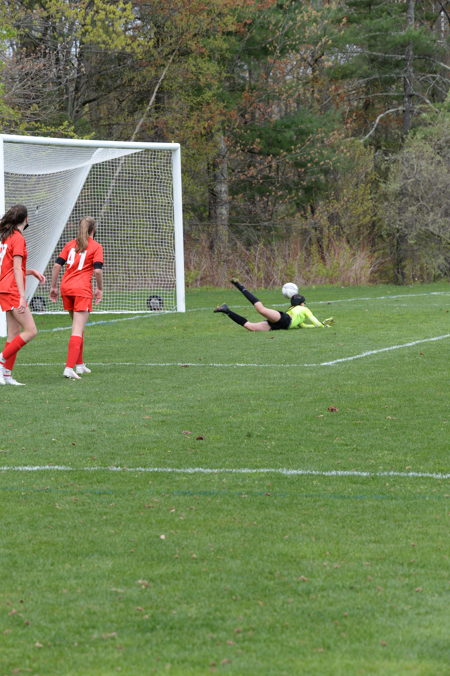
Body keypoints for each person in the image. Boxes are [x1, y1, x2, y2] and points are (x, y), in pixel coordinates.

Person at [49, 216, 103, 379]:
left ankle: (79, 365)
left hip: (66, 288)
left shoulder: (70, 244)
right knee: (77, 329)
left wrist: (53, 286)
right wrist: (99, 288)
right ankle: (69, 367)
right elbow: (97, 271)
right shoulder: (96, 246)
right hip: (81, 290)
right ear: (94, 230)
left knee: (78, 327)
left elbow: (57, 265)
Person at [0, 204, 46, 385]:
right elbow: (16, 269)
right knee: (31, 330)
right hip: (12, 290)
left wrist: (31, 272)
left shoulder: (6, 237)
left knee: (13, 333)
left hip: (4, 288)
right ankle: (1, 359)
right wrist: (21, 296)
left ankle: (6, 375)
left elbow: (10, 268)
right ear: (26, 219)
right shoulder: (18, 238)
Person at [214, 279, 334, 331]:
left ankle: (226, 310)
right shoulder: (304, 309)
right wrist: (323, 325)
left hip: (281, 326)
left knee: (251, 327)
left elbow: (302, 326)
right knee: (260, 309)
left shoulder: (296, 310)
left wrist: (320, 325)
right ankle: (239, 285)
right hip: (283, 319)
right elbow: (316, 323)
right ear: (302, 303)